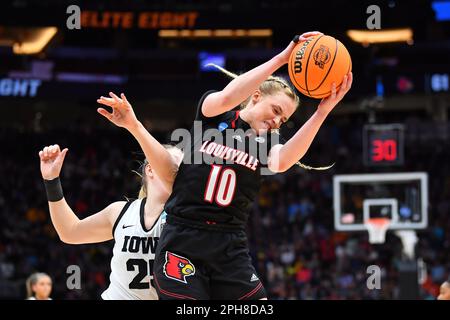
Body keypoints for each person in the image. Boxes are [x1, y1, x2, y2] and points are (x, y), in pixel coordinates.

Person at [148, 31, 353, 300]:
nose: (278, 121)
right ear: (255, 96)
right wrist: (282, 59)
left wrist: (322, 112)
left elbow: (285, 161)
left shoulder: (267, 143)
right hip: (184, 238)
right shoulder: (215, 112)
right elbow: (227, 97)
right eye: (276, 110)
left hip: (229, 244)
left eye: (284, 119)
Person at [39, 94, 182, 299]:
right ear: (151, 170)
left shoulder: (186, 214)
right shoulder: (120, 213)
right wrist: (51, 181)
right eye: (173, 166)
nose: (177, 173)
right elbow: (70, 232)